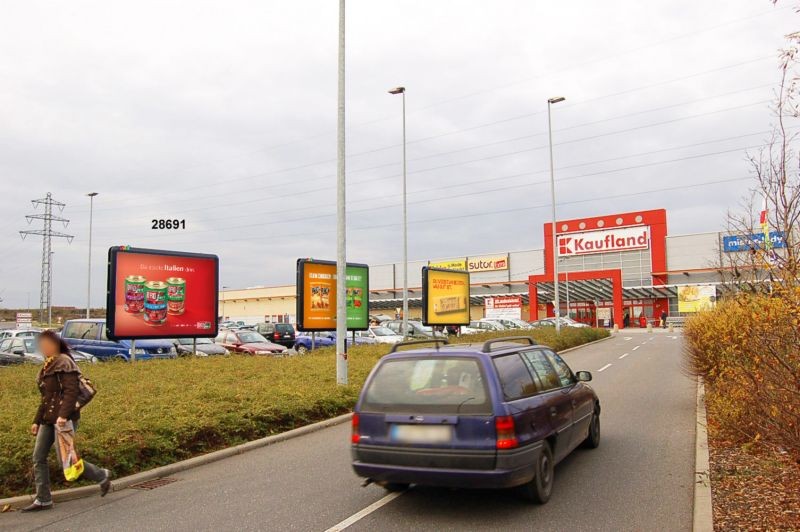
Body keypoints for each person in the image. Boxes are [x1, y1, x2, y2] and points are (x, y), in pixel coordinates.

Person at [23, 330, 111, 512]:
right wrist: (36, 421)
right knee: (38, 457)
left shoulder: (65, 362)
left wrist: (63, 415)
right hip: (48, 419)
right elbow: (46, 398)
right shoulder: (46, 367)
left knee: (68, 460)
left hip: (64, 419)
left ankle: (101, 474)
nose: (44, 347)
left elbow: (71, 392)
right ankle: (43, 499)